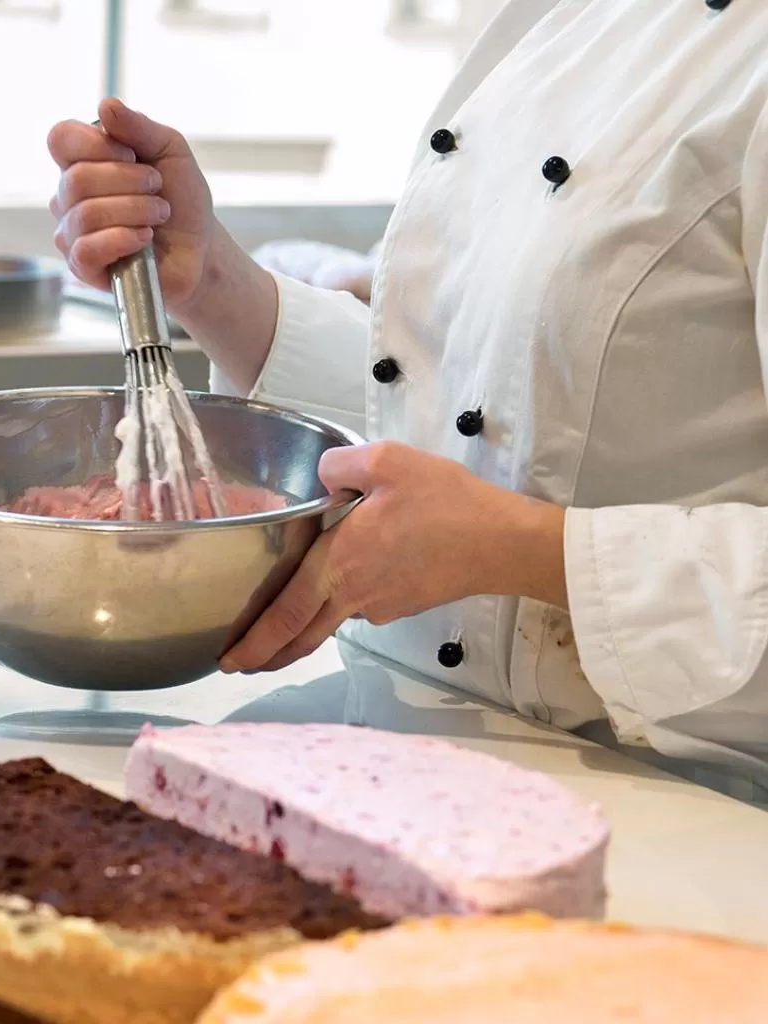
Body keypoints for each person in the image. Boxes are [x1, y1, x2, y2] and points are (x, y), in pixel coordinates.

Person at [47, 0, 768, 797]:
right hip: (406, 744)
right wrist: (212, 281)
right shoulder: (560, 19)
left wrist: (517, 548)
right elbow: (470, 398)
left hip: (680, 804)